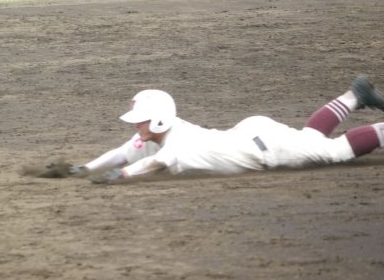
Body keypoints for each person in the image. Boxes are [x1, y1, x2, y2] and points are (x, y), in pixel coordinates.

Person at [69, 75, 384, 183]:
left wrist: (124, 176)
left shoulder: (180, 140)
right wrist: (83, 169)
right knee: (310, 138)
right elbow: (119, 155)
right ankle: (355, 95)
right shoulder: (153, 135)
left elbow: (157, 163)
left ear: (159, 120)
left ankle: (368, 113)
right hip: (251, 133)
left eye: (141, 120)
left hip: (269, 149)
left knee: (335, 152)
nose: (136, 125)